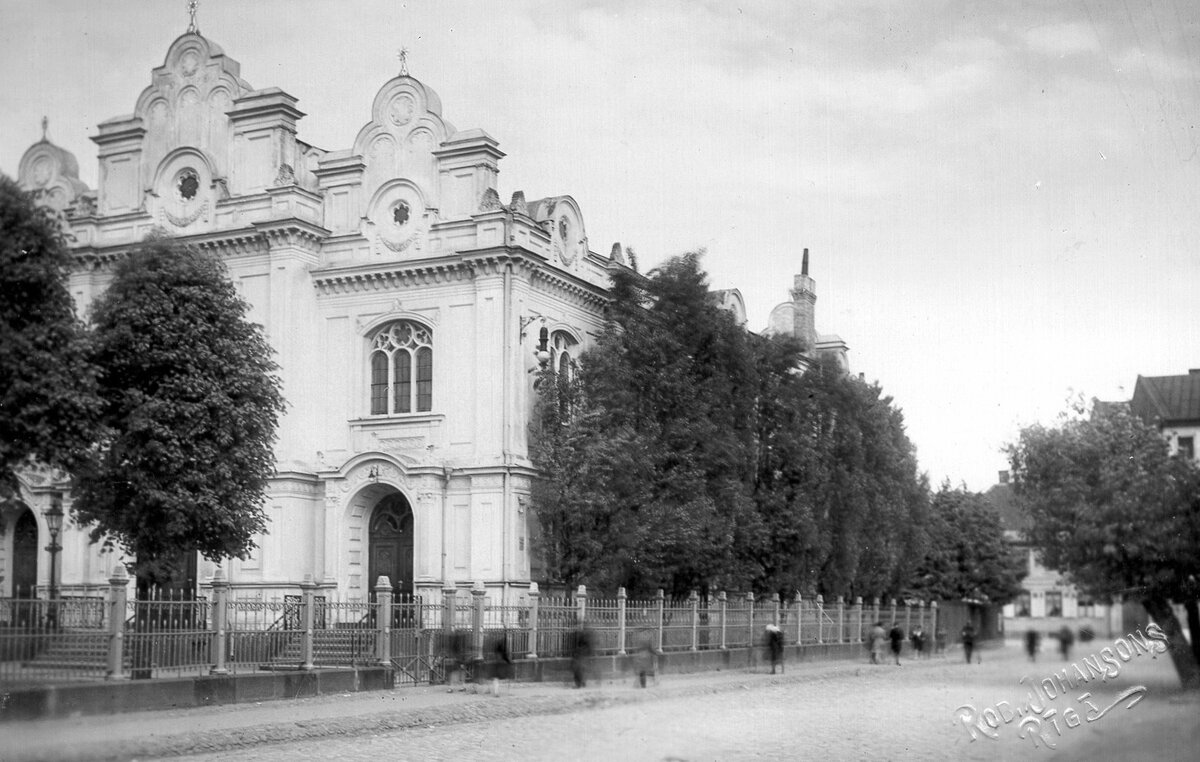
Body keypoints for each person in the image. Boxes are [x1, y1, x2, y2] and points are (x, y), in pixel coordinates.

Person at [487, 631, 513, 697]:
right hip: (501, 665)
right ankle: (498, 692)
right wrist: (508, 662)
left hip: (496, 665)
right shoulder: (502, 648)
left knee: (496, 678)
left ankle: (496, 692)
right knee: (500, 677)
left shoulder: (496, 648)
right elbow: (505, 656)